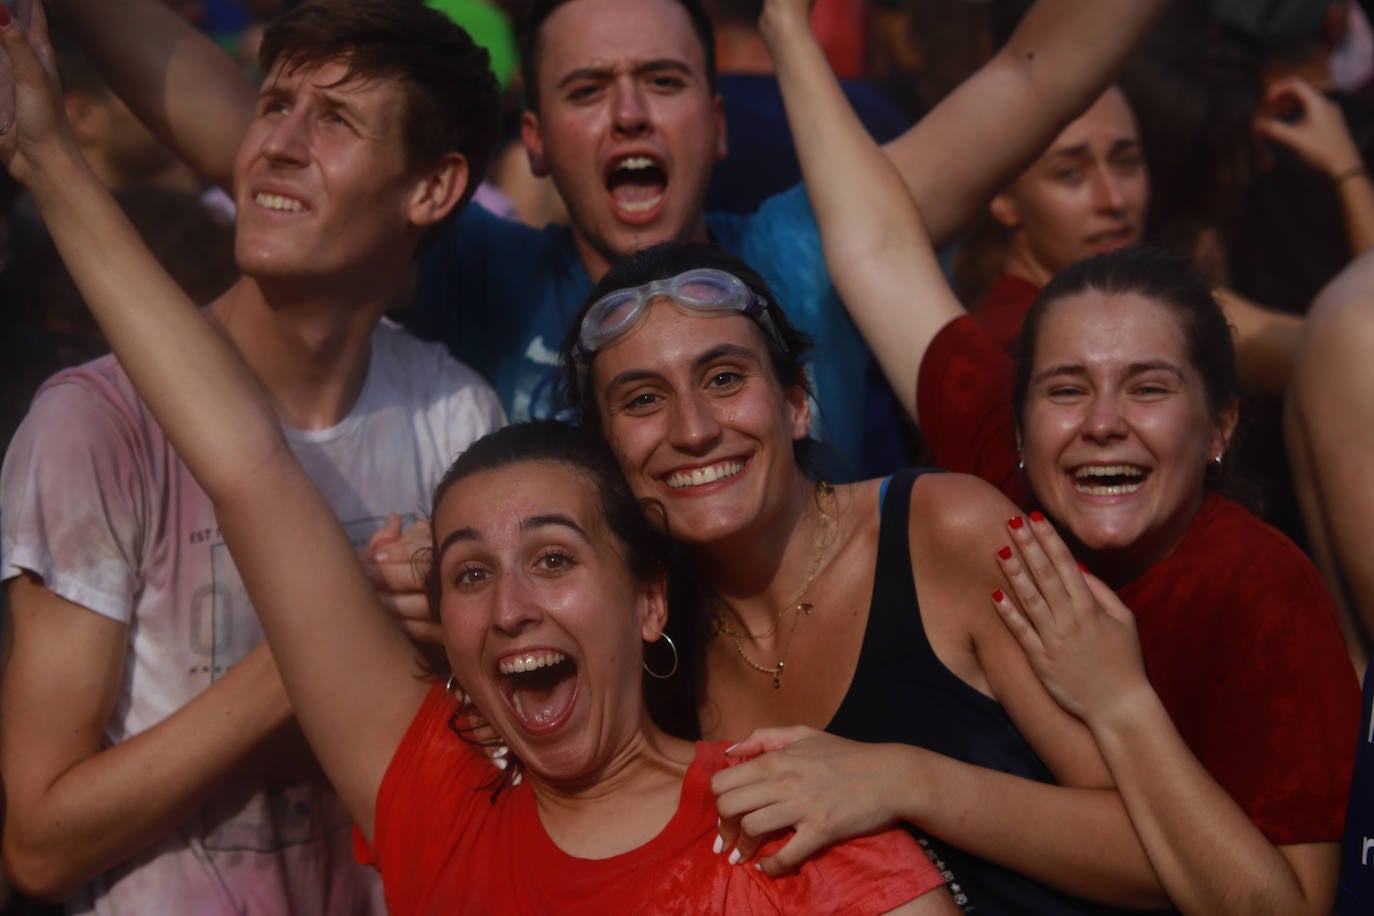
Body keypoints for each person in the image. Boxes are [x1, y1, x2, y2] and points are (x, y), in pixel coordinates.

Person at [0, 14, 957, 913]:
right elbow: (245, 460)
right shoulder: (438, 813)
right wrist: (44, 154)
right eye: (466, 573)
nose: (509, 608)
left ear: (650, 598)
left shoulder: (799, 827)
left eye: (552, 559)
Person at [686, 4, 1355, 910]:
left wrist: (1116, 703)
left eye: (1151, 389)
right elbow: (876, 247)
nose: (1103, 422)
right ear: (1023, 419)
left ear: (1221, 427)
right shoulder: (1004, 479)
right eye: (1067, 389)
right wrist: (789, 30)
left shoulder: (1258, 589)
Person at [49, 0, 1167, 478]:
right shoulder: (475, 274)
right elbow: (232, 120)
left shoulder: (805, 250)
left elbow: (1038, 73)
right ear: (533, 141)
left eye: (664, 82)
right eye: (588, 89)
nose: (629, 114)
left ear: (717, 126)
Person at [0, 2, 504, 911]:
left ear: (432, 190)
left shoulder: (456, 414)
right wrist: (317, 646)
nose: (275, 144)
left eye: (336, 121)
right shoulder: (94, 425)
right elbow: (36, 845)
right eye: (273, 106)